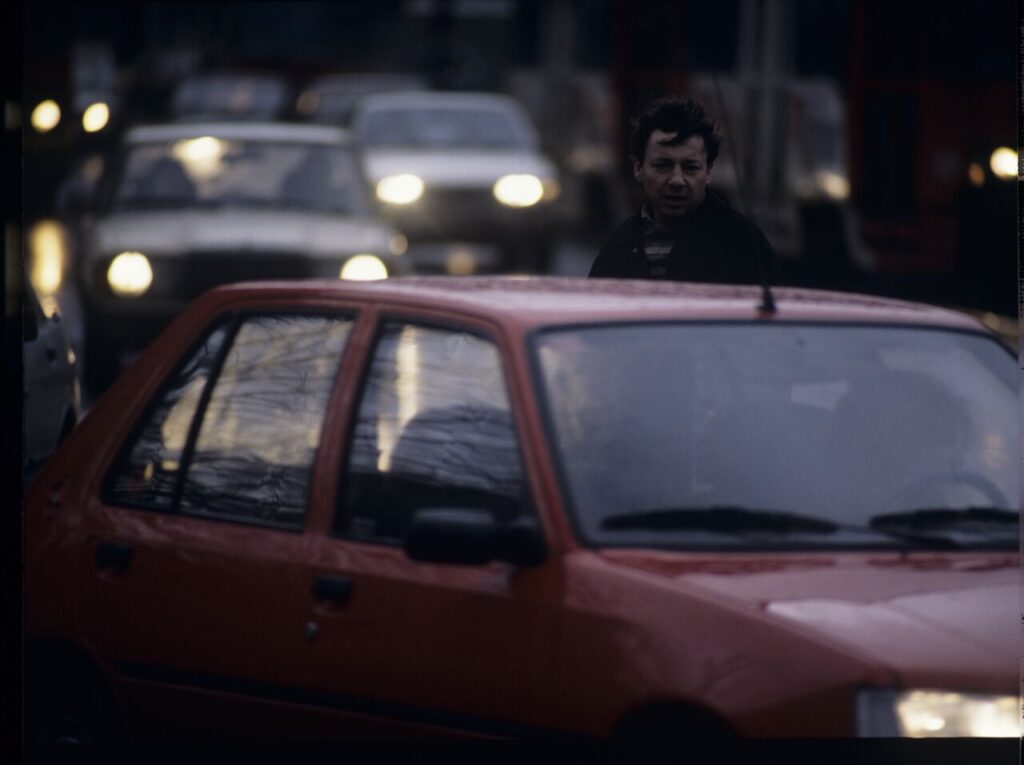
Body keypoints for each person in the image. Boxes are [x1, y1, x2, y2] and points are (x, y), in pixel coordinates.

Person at [589, 96, 775, 284]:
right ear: (638, 168)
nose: (677, 180)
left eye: (690, 167)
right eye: (662, 166)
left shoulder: (741, 243)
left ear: (708, 172)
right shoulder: (619, 245)